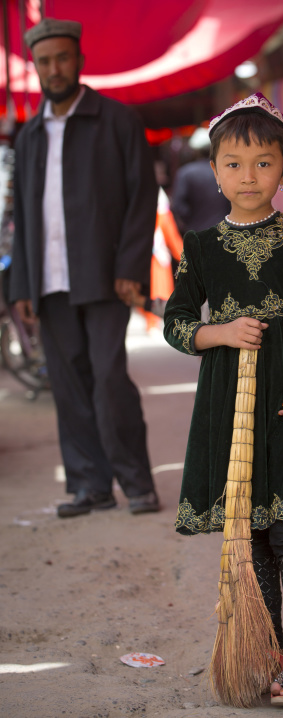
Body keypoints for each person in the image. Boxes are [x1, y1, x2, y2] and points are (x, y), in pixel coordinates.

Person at [162, 93, 283, 707]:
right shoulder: (199, 248)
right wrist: (218, 332)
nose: (249, 177)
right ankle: (265, 652)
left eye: (264, 163)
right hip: (230, 403)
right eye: (234, 163)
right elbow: (173, 323)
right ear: (214, 172)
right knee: (249, 538)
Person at [9, 18, 160, 518]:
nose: (54, 68)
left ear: (79, 61)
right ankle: (89, 485)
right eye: (45, 61)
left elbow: (143, 197)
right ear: (36, 67)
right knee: (68, 385)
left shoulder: (117, 121)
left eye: (62, 58)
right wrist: (23, 285)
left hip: (103, 275)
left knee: (109, 378)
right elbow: (26, 216)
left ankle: (137, 482)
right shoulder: (29, 135)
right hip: (48, 282)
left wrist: (131, 266)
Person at [170, 127, 230, 234]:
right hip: (225, 232)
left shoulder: (185, 173)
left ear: (195, 150)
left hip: (197, 233)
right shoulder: (226, 172)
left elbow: (178, 206)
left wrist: (190, 220)